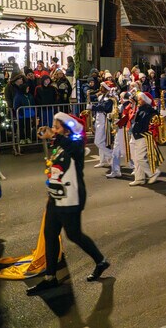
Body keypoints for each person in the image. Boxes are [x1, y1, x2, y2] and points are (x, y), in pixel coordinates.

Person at [26, 113, 109, 295]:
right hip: (56, 197)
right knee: (50, 233)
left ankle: (100, 260)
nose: (53, 129)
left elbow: (70, 145)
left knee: (74, 235)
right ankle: (50, 277)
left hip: (71, 198)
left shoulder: (76, 142)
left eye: (57, 126)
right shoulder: (61, 142)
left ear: (66, 127)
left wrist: (55, 135)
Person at [129, 92, 163, 186]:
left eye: (140, 99)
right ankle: (139, 178)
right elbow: (133, 119)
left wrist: (136, 108)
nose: (138, 101)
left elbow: (140, 121)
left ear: (145, 100)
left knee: (140, 158)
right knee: (136, 158)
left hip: (143, 135)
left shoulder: (149, 110)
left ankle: (153, 173)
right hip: (136, 135)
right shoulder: (140, 108)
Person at [88, 80, 115, 168]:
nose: (100, 88)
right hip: (99, 120)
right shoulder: (103, 96)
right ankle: (103, 160)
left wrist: (92, 107)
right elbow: (93, 98)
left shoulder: (110, 98)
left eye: (102, 87)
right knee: (101, 141)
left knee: (98, 141)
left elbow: (104, 107)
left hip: (104, 121)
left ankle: (111, 155)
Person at [106, 92, 132, 179]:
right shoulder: (123, 105)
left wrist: (118, 120)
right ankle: (116, 171)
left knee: (126, 151)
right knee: (117, 151)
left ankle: (138, 168)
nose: (120, 99)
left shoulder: (127, 105)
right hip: (120, 129)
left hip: (124, 130)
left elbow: (126, 117)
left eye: (121, 97)